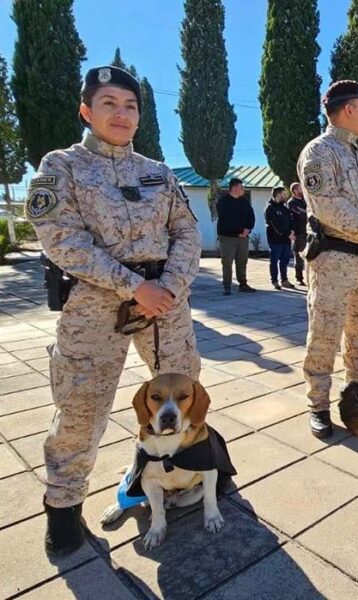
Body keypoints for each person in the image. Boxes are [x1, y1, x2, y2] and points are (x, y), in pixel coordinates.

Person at [26, 66, 201, 556]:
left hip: (165, 304)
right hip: (94, 305)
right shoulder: (61, 166)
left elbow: (186, 232)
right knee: (81, 408)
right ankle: (62, 508)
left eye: (129, 106)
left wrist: (166, 285)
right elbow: (62, 240)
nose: (121, 114)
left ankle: (172, 477)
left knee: (183, 393)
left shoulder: (159, 172)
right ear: (86, 111)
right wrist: (132, 286)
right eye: (108, 104)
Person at [296, 80, 358, 438]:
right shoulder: (318, 153)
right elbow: (328, 206)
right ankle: (318, 404)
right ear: (349, 109)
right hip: (334, 259)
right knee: (324, 334)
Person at [216, 178, 256, 295]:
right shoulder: (223, 202)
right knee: (227, 262)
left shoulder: (244, 201)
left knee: (242, 261)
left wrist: (248, 229)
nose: (243, 189)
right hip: (227, 237)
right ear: (234, 188)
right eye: (241, 187)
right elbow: (226, 220)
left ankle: (243, 284)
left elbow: (251, 216)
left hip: (243, 237)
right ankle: (227, 286)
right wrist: (238, 231)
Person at [265, 187, 295, 290]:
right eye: (283, 194)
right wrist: (287, 234)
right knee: (274, 261)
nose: (285, 196)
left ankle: (284, 280)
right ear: (278, 195)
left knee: (285, 261)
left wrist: (292, 231)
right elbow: (275, 225)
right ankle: (274, 280)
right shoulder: (270, 208)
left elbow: (290, 221)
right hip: (275, 240)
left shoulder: (285, 208)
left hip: (286, 240)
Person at [287, 182, 308, 285]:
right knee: (299, 257)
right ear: (295, 191)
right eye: (300, 188)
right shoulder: (292, 203)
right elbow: (302, 214)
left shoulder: (305, 201)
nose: (302, 190)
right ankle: (299, 278)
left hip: (308, 232)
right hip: (299, 233)